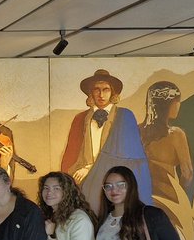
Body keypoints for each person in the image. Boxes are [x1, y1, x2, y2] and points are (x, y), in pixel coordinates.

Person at [61, 69, 153, 208]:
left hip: (115, 183)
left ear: (112, 92)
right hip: (84, 183)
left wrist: (92, 168)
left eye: (106, 89)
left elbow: (130, 158)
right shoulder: (80, 119)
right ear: (91, 92)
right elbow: (71, 155)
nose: (101, 94)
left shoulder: (125, 116)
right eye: (96, 89)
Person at [140, 80, 193, 209]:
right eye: (177, 100)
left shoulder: (135, 130)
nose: (179, 105)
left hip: (140, 199)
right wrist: (179, 194)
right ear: (166, 105)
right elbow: (187, 174)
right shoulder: (176, 134)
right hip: (168, 201)